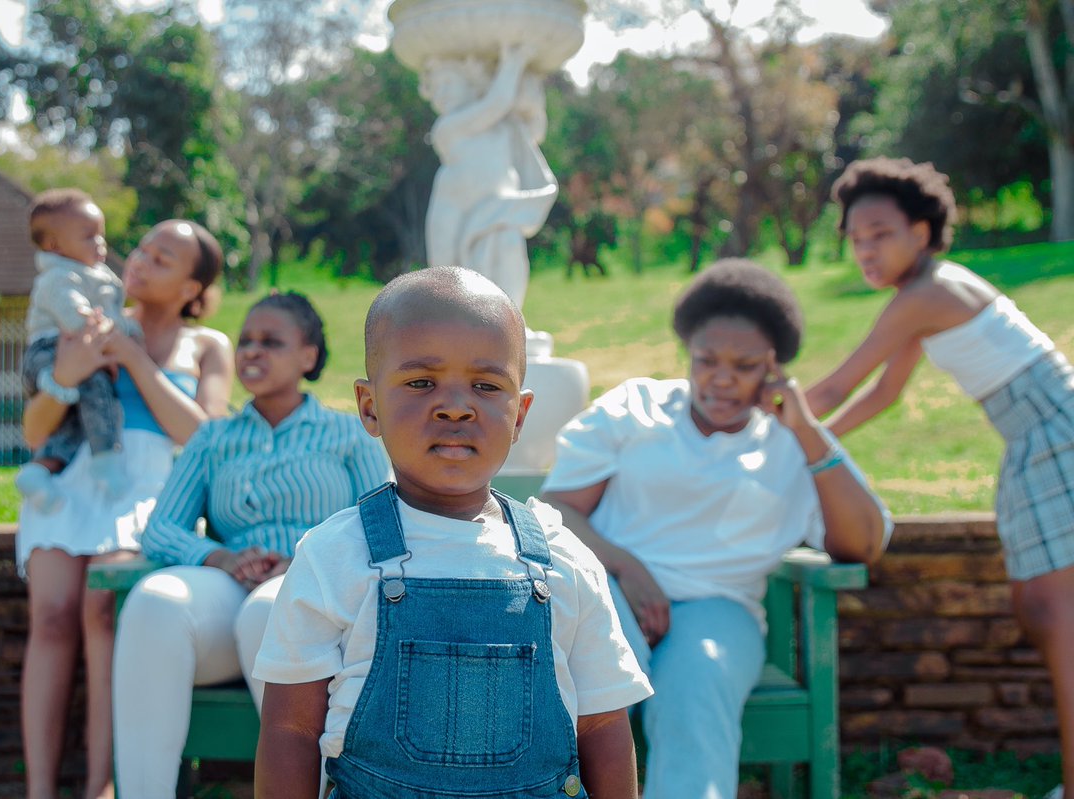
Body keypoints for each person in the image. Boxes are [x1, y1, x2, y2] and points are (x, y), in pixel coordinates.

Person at [253, 266, 653, 799]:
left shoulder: (562, 559)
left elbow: (603, 725)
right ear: (369, 407)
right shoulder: (334, 555)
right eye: (421, 383)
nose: (456, 406)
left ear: (520, 413)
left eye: (487, 386)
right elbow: (291, 731)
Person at [541, 259, 892, 798]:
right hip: (610, 590)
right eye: (706, 360)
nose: (721, 378)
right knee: (597, 661)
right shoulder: (635, 409)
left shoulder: (790, 443)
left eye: (745, 364)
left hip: (718, 611)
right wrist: (628, 567)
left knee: (697, 684)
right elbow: (557, 508)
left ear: (775, 366)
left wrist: (806, 429)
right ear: (688, 354)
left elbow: (864, 543)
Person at [806, 156, 1074, 799]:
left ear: (921, 233)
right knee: (1041, 608)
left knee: (1053, 611)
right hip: (1033, 438)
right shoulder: (923, 294)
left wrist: (751, 426)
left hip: (1053, 435)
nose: (865, 250)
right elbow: (883, 395)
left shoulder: (926, 294)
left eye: (881, 233)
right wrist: (808, 448)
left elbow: (843, 381)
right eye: (856, 238)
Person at [111, 290, 391, 797]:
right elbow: (162, 528)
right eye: (245, 342)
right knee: (155, 603)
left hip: (316, 594)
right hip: (226, 589)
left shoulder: (349, 435)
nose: (252, 352)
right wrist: (218, 556)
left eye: (271, 342)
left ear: (309, 356)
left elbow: (382, 521)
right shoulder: (214, 439)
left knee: (268, 612)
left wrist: (305, 558)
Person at [16, 219, 233, 799]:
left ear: (193, 288)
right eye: (142, 248)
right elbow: (37, 434)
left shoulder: (208, 346)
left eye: (163, 259)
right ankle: (39, 790)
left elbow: (206, 434)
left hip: (153, 487)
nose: (138, 261)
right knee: (53, 618)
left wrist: (136, 361)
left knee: (102, 609)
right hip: (77, 479)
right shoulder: (85, 320)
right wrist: (66, 374)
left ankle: (102, 785)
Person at [16, 188, 140, 510]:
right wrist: (112, 343)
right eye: (89, 236)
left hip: (67, 351)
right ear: (55, 245)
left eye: (101, 234)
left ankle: (40, 471)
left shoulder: (92, 274)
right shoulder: (58, 277)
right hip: (50, 351)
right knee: (98, 391)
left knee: (70, 423)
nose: (100, 243)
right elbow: (78, 319)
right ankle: (105, 458)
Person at [421, 42, 558, 311]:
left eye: (448, 83)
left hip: (498, 209)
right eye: (435, 89)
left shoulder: (503, 126)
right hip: (456, 213)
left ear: (473, 83)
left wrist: (530, 99)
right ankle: (467, 332)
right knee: (452, 284)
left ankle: (511, 326)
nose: (441, 95)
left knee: (509, 247)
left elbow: (534, 131)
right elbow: (498, 102)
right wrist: (514, 62)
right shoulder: (447, 129)